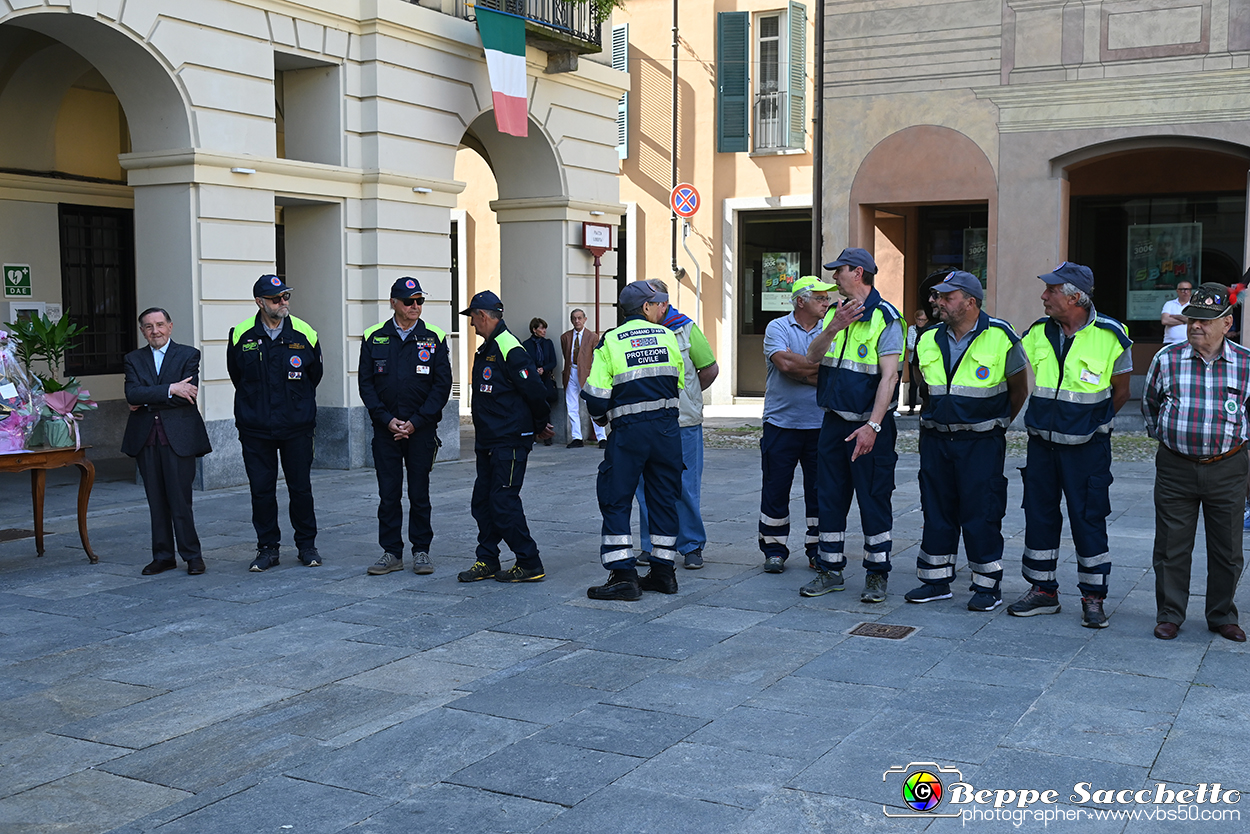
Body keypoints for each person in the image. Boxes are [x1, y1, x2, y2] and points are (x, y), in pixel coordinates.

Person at [1008, 262, 1132, 628]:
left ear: (1075, 297)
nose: (1044, 296)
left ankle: (1093, 596)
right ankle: (1042, 590)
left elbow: (1122, 391)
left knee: (1088, 517)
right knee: (1039, 514)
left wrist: (1095, 423)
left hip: (1087, 448)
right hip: (1042, 446)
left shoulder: (1112, 334)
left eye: (1052, 290)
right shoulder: (1037, 333)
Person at [902, 272, 1028, 611]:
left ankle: (987, 585)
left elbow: (1019, 391)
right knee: (936, 507)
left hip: (981, 442)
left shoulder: (1001, 336)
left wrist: (996, 424)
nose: (937, 302)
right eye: (937, 297)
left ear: (970, 301)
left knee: (981, 509)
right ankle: (935, 580)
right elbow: (924, 387)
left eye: (946, 297)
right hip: (936, 440)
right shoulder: (928, 337)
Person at [1142, 282, 1249, 642]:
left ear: (1227, 324)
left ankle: (1222, 615)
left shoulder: (1247, 364)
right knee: (1171, 546)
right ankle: (1170, 613)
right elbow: (1151, 409)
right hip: (1175, 467)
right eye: (1191, 320)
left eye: (1205, 321)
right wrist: (1173, 440)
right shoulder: (1167, 359)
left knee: (1229, 550)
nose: (1195, 327)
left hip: (1228, 467)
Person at [803, 247, 905, 602]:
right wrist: (833, 326)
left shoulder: (887, 317)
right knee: (828, 496)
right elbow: (812, 357)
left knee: (874, 498)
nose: (833, 277)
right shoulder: (835, 312)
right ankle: (830, 570)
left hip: (869, 428)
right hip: (833, 423)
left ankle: (877, 574)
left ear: (858, 272)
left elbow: (889, 379)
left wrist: (873, 427)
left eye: (838, 271)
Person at [583, 280, 686, 600]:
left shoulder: (610, 342)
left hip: (629, 433)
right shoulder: (668, 336)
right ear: (645, 308)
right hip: (667, 431)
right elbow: (678, 382)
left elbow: (597, 398)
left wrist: (603, 419)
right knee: (663, 499)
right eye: (660, 304)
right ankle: (664, 573)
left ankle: (623, 575)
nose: (664, 308)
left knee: (615, 498)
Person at [226, 275, 324, 572]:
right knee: (261, 489)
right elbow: (237, 376)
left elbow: (314, 375)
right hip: (256, 428)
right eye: (276, 299)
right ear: (260, 302)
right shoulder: (241, 334)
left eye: (285, 297)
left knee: (301, 488)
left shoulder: (305, 332)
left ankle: (307, 545)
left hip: (296, 426)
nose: (284, 303)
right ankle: (267, 548)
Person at [457, 290, 554, 583]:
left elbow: (535, 391)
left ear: (483, 316)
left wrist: (540, 424)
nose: (472, 324)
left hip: (509, 439)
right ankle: (487, 559)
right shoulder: (490, 346)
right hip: (489, 439)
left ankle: (529, 561)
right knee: (482, 501)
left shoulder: (509, 347)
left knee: (503, 502)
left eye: (473, 317)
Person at [357, 277, 452, 576]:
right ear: (393, 303)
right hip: (386, 431)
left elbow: (442, 386)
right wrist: (387, 420)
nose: (415, 307)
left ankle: (421, 551)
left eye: (420, 301)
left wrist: (415, 422)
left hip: (420, 430)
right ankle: (391, 552)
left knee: (420, 493)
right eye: (409, 301)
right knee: (388, 493)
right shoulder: (374, 336)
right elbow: (366, 385)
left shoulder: (435, 336)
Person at [634, 279, 719, 569]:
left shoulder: (686, 329)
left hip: (683, 421)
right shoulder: (635, 332)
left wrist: (689, 396)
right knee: (645, 486)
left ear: (662, 303)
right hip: (645, 420)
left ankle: (691, 545)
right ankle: (651, 545)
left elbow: (708, 369)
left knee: (684, 485)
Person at [122, 307, 213, 576]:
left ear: (170, 327)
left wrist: (148, 396)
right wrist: (171, 388)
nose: (155, 331)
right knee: (156, 501)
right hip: (146, 438)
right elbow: (132, 394)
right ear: (142, 331)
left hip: (179, 437)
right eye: (149, 327)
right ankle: (163, 556)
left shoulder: (188, 354)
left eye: (160, 325)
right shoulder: (133, 359)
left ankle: (192, 556)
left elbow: (187, 396)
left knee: (180, 500)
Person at [758, 275, 835, 573]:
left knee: (821, 490)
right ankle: (774, 549)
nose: (827, 303)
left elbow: (833, 372)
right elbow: (785, 365)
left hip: (821, 424)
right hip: (781, 423)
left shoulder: (832, 331)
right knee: (776, 488)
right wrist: (814, 371)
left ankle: (818, 549)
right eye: (820, 298)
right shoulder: (777, 327)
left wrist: (801, 371)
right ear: (801, 301)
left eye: (827, 298)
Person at [561, 308, 606, 448]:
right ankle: (577, 437)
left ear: (585, 319)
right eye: (574, 318)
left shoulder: (592, 337)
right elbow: (566, 355)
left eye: (580, 318)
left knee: (592, 405)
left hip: (587, 374)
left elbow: (596, 357)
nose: (577, 321)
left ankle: (601, 438)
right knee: (572, 406)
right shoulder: (565, 337)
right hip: (571, 372)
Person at [522, 316, 559, 446]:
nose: (544, 331)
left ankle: (547, 436)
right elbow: (524, 362)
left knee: (546, 406)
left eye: (545, 328)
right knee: (532, 406)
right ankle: (532, 436)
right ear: (534, 330)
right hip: (533, 380)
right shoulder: (526, 345)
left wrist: (544, 369)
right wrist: (534, 371)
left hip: (546, 379)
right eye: (541, 328)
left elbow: (553, 362)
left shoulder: (548, 343)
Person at [902, 309, 929, 414]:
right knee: (913, 384)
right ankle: (911, 407)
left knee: (925, 383)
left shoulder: (928, 329)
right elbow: (909, 345)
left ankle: (925, 405)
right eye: (919, 319)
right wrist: (921, 346)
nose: (920, 322)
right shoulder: (912, 329)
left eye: (923, 320)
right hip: (913, 359)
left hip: (925, 360)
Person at [1160, 280, 1192, 345]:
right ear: (1177, 291)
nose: (1185, 292)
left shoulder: (1194, 305)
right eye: (1182, 289)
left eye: (1188, 289)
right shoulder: (1169, 304)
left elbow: (1196, 321)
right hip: (1170, 342)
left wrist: (1174, 316)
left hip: (1190, 342)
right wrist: (1186, 320)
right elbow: (1165, 321)